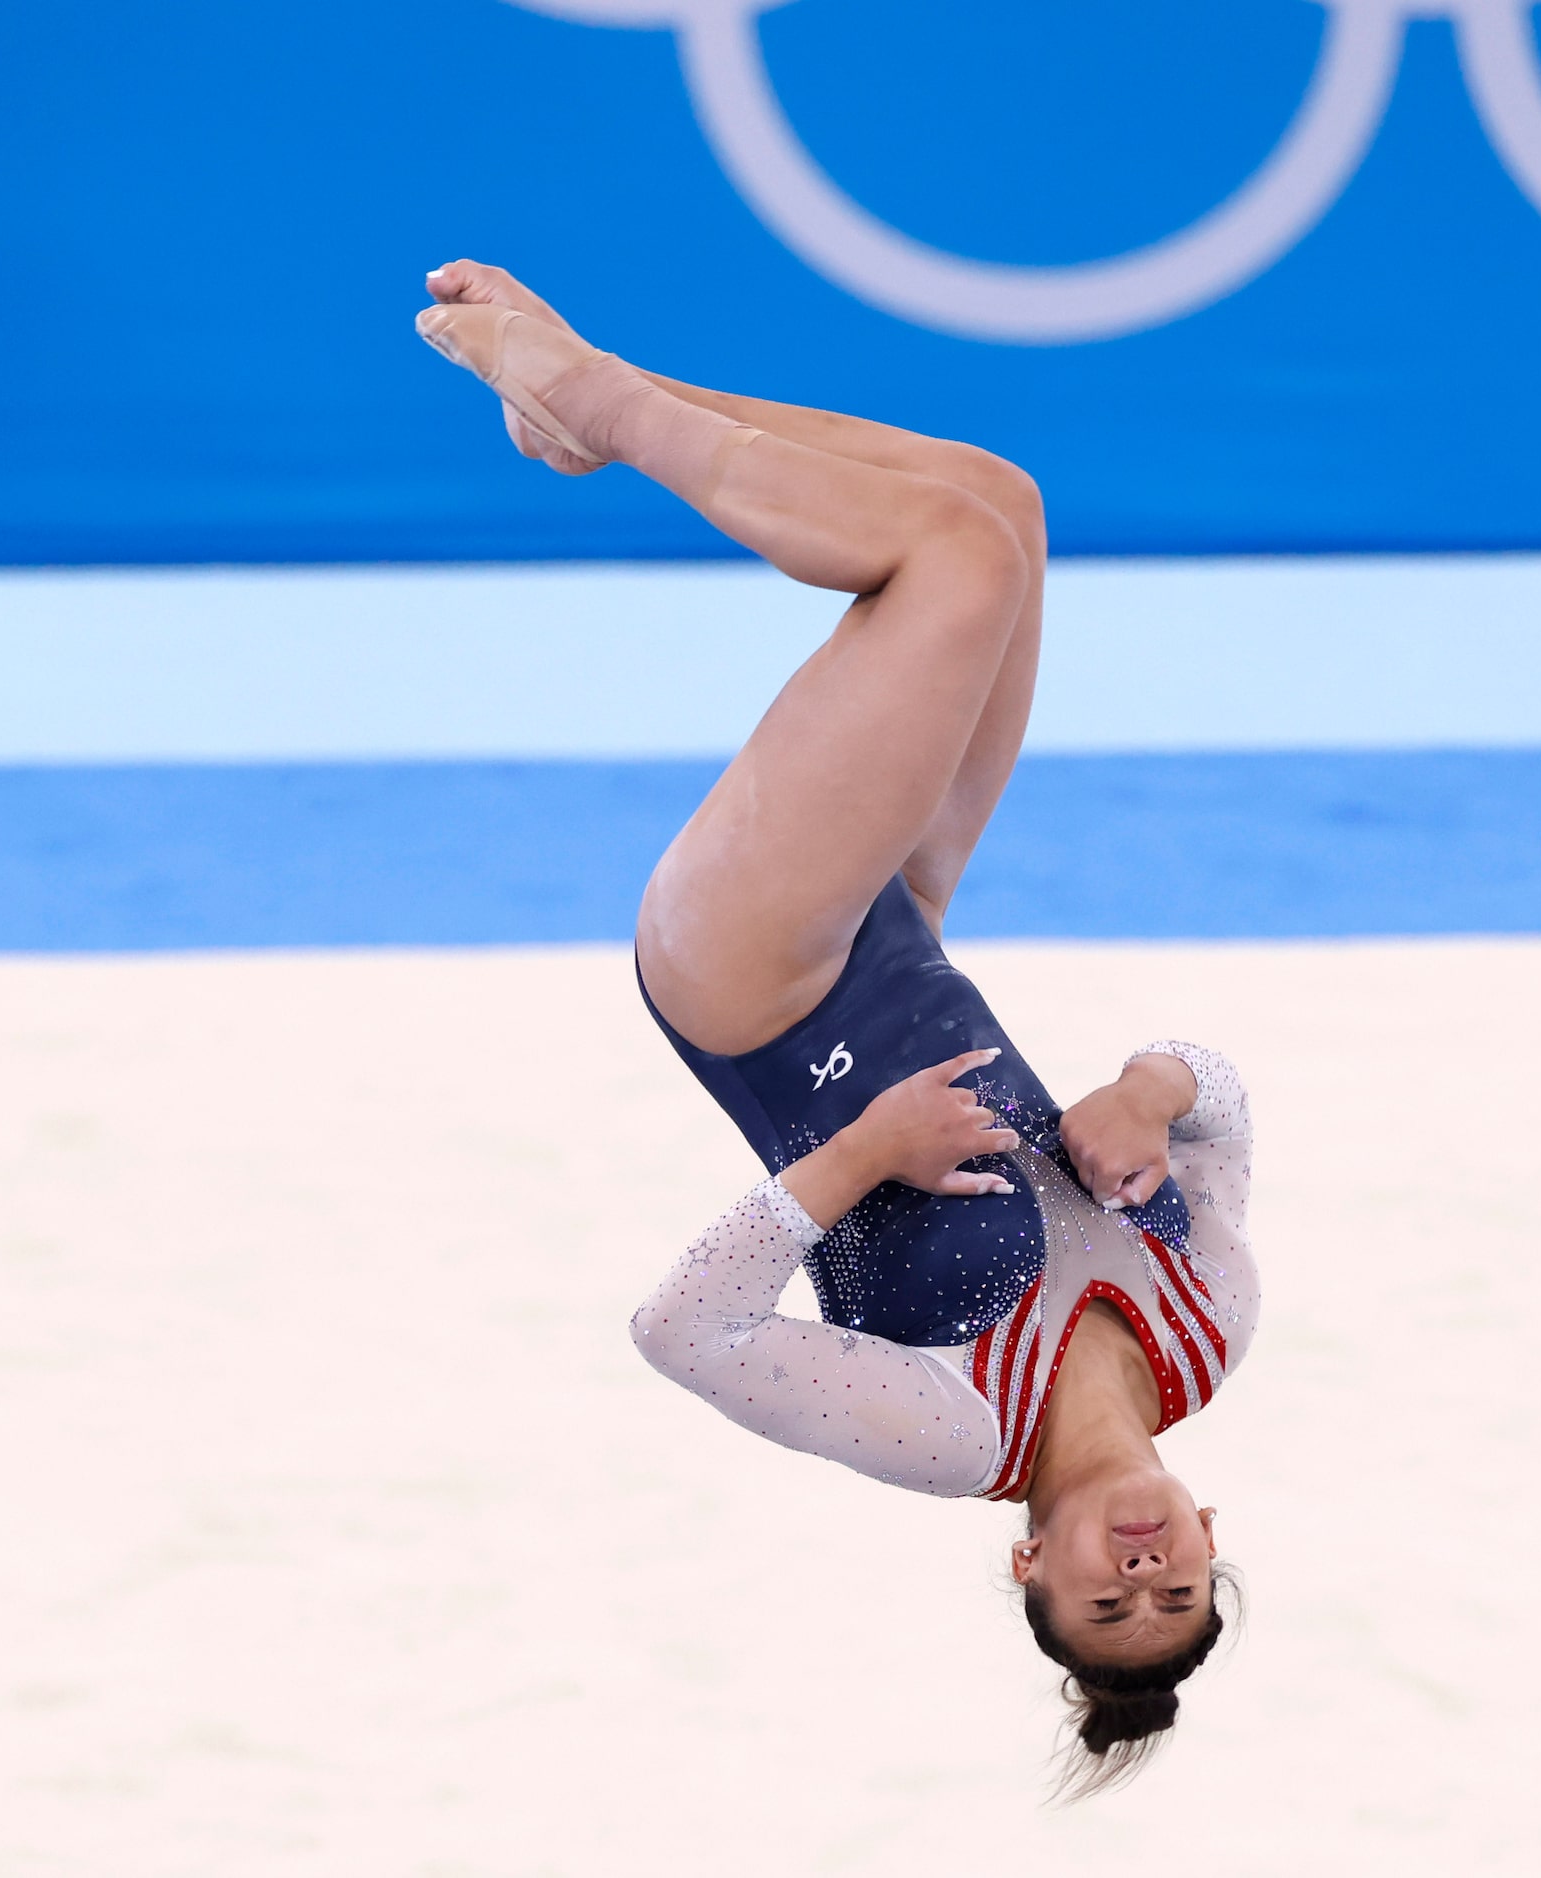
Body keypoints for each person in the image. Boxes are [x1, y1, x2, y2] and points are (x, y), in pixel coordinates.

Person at [416, 263, 1259, 1796]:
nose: (1139, 1569)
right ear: (1213, 1541)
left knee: (943, 562)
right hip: (901, 929)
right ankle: (593, 392)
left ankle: (596, 403)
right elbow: (1219, 1101)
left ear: (1031, 1567)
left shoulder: (947, 1434)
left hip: (758, 982)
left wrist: (859, 1154)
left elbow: (684, 1334)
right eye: (1174, 1589)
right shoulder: (1211, 1327)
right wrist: (1148, 1086)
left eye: (1102, 1600)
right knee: (1000, 507)